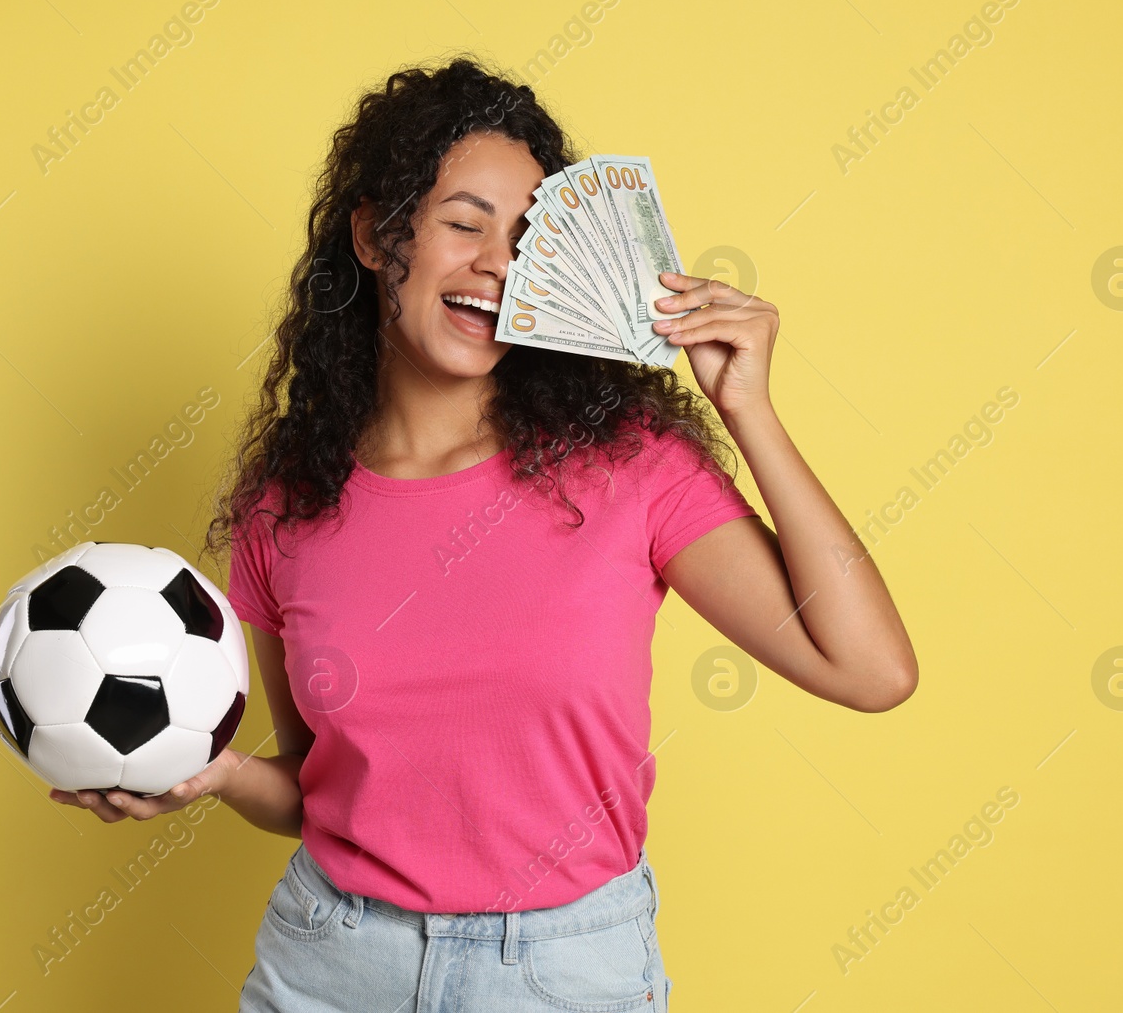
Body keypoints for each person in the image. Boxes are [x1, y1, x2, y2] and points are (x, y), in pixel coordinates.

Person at [51, 54, 917, 1010]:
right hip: (331, 965)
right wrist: (213, 775)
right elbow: (316, 790)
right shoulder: (284, 504)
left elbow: (871, 670)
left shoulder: (630, 467)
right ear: (378, 238)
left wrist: (747, 407)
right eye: (465, 223)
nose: (499, 264)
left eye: (530, 238)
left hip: (564, 972)